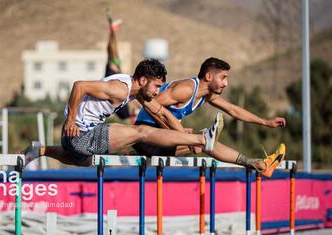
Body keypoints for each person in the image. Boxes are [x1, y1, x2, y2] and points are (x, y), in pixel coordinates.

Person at [23, 58, 224, 167]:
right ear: (143, 80)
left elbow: (161, 113)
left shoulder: (136, 91)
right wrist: (70, 120)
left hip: (74, 141)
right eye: (156, 86)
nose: (157, 91)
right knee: (141, 132)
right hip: (79, 135)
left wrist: (182, 134)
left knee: (86, 162)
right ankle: (202, 138)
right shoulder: (120, 89)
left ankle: (42, 150)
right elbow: (79, 86)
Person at [132, 57, 286, 177]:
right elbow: (151, 106)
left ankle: (259, 164)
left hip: (163, 138)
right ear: (209, 76)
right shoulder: (185, 89)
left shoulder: (206, 95)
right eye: (223, 77)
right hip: (147, 137)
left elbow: (233, 110)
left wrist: (265, 122)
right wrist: (176, 132)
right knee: (205, 141)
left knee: (207, 142)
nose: (226, 83)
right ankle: (258, 164)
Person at [104, 10, 140, 122]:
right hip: (116, 75)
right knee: (112, 51)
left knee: (112, 51)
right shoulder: (127, 112)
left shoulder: (125, 113)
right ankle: (112, 29)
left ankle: (112, 29)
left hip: (113, 76)